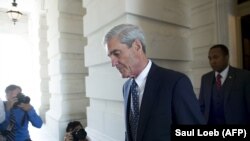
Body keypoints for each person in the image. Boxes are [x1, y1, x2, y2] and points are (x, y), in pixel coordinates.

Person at [104, 24, 205, 141]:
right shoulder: (126, 88)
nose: (113, 63)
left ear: (137, 46)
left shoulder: (175, 83)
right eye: (110, 56)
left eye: (116, 53)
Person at [199, 44, 250, 124]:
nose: (212, 61)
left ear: (226, 57)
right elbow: (201, 105)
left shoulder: (244, 76)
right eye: (210, 58)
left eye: (216, 57)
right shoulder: (205, 78)